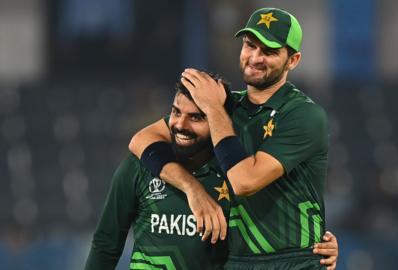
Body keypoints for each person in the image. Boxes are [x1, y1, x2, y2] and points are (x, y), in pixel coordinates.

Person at [129, 7, 332, 270]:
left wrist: (213, 109)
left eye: (269, 51)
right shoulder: (227, 106)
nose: (255, 58)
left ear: (292, 60)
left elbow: (245, 181)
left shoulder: (303, 114)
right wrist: (193, 189)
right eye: (250, 46)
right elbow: (142, 139)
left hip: (292, 261)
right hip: (236, 261)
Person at [86, 75, 338, 270]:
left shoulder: (236, 174)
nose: (180, 125)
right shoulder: (140, 166)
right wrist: (193, 189)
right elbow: (106, 244)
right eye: (175, 112)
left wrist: (317, 247)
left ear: (219, 121)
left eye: (197, 117)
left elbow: (274, 224)